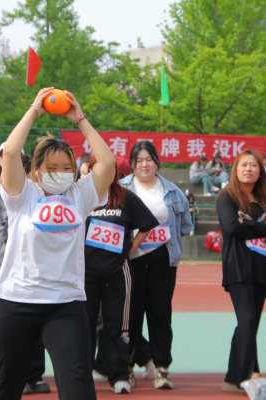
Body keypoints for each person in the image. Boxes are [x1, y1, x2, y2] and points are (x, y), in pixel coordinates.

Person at [0, 87, 115, 400]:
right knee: (6, 388)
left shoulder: (80, 195)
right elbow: (10, 153)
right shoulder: (22, 195)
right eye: (52, 168)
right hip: (16, 301)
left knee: (78, 387)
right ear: (36, 170)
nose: (60, 174)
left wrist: (80, 119)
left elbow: (107, 162)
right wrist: (35, 109)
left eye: (67, 168)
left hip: (65, 304)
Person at [121, 141, 192, 390]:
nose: (144, 164)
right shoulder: (121, 188)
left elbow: (185, 225)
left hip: (163, 259)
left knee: (160, 314)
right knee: (130, 315)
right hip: (131, 260)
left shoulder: (172, 190)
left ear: (157, 162)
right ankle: (127, 367)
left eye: (149, 159)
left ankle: (162, 369)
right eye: (139, 160)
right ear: (131, 164)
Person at [84, 156, 159, 394]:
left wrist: (131, 247)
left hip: (117, 272)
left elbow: (147, 224)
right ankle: (82, 375)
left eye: (110, 169)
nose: (104, 173)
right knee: (84, 325)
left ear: (115, 172)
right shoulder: (82, 197)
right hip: (84, 274)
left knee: (117, 325)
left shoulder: (125, 198)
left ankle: (119, 375)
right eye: (98, 169)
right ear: (91, 171)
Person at [0, 153, 50, 394]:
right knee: (6, 327)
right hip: (4, 272)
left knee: (36, 322)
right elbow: (7, 233)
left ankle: (34, 375)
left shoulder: (38, 198)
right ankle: (4, 374)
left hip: (33, 271)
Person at [215, 149, 266, 391]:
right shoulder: (227, 196)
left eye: (253, 165)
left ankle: (233, 378)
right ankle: (248, 374)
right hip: (238, 267)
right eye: (244, 165)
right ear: (236, 169)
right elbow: (233, 227)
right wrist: (263, 227)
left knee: (249, 324)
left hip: (262, 269)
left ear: (260, 172)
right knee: (248, 319)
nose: (248, 169)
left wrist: (249, 224)